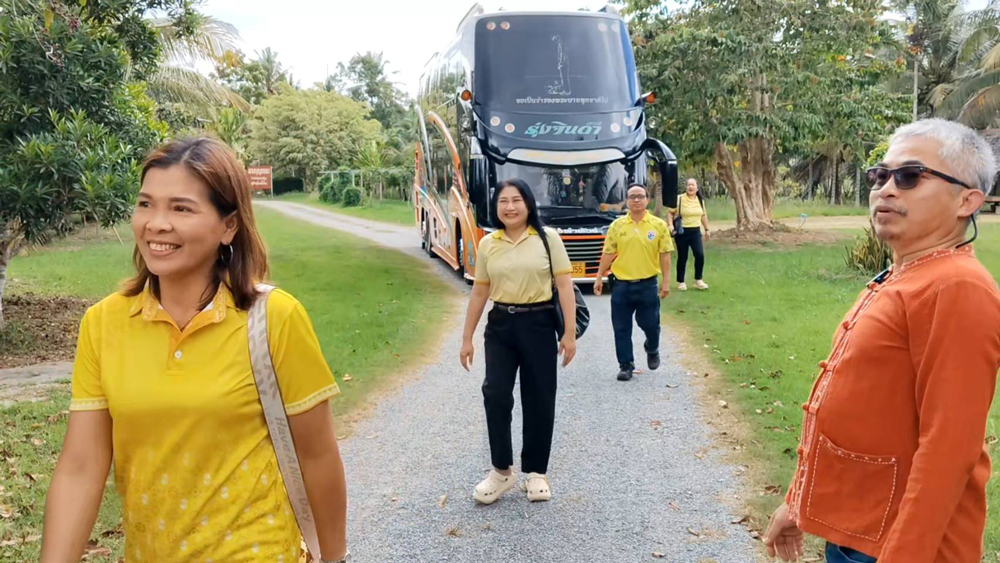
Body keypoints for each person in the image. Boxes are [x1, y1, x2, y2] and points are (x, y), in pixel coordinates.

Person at [40, 138, 350, 563]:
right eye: (146, 204)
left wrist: (334, 558)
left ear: (229, 226)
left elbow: (317, 457)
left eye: (181, 208)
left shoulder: (274, 318)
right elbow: (81, 466)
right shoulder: (104, 323)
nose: (156, 224)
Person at [763, 118, 1000, 563]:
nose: (886, 189)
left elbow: (950, 448)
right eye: (880, 174)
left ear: (968, 200)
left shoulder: (956, 287)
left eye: (909, 176)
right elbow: (863, 408)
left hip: (901, 547)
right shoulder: (908, 273)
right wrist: (799, 502)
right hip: (859, 532)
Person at [459, 178, 577, 505]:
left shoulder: (547, 238)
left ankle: (536, 473)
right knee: (495, 393)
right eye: (502, 201)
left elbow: (564, 287)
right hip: (500, 325)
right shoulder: (488, 244)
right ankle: (501, 471)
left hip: (539, 323)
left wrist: (568, 333)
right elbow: (480, 290)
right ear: (496, 207)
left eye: (516, 200)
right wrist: (466, 337)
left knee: (539, 396)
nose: (509, 207)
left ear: (528, 203)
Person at [593, 183, 674, 382]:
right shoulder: (617, 226)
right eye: (632, 197)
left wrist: (666, 282)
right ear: (626, 201)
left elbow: (665, 255)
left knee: (650, 324)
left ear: (647, 199)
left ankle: (652, 347)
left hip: (647, 285)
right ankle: (626, 365)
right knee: (621, 328)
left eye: (640, 196)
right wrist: (599, 276)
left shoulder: (658, 225)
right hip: (622, 285)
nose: (636, 200)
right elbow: (608, 252)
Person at [667, 178, 711, 290]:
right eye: (688, 185)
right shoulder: (679, 199)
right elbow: (670, 212)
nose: (690, 187)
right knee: (683, 256)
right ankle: (681, 281)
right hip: (682, 231)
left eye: (693, 185)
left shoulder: (700, 200)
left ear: (697, 188)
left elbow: (703, 215)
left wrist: (707, 229)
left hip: (695, 231)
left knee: (699, 254)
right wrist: (670, 225)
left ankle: (698, 280)